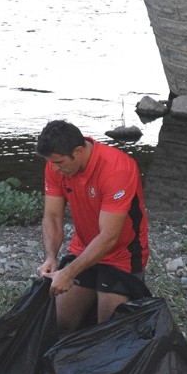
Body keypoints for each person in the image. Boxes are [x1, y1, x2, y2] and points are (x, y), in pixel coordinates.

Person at [36, 119, 151, 334]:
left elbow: (109, 236)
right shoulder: (56, 165)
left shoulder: (117, 169)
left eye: (59, 163)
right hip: (84, 248)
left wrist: (68, 273)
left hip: (122, 255)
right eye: (51, 163)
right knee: (60, 323)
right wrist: (51, 256)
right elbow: (52, 216)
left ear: (78, 152)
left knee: (108, 330)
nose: (54, 169)